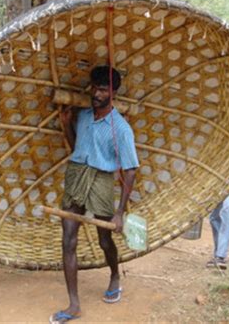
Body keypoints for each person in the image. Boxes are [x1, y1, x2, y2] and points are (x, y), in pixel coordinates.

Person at [49, 65, 139, 323]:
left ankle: (114, 275)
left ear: (114, 94)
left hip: (101, 179)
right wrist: (67, 125)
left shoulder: (121, 129)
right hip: (76, 175)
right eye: (95, 88)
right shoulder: (85, 116)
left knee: (104, 240)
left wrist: (120, 213)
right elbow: (76, 146)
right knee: (68, 240)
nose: (97, 94)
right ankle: (74, 304)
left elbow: (130, 171)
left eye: (103, 90)